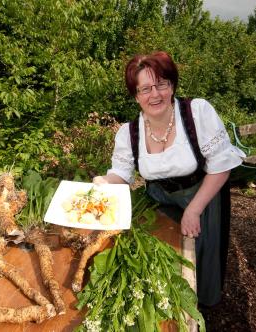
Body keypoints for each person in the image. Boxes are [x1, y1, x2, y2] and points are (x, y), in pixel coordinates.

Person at [93, 51, 245, 306]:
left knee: (199, 256)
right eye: (145, 89)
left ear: (172, 85)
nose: (155, 94)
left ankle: (197, 307)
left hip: (201, 196)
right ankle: (167, 309)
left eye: (161, 84)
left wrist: (194, 210)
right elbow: (122, 173)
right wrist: (106, 182)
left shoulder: (197, 113)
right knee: (159, 257)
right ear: (136, 96)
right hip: (158, 201)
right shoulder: (128, 132)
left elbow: (221, 166)